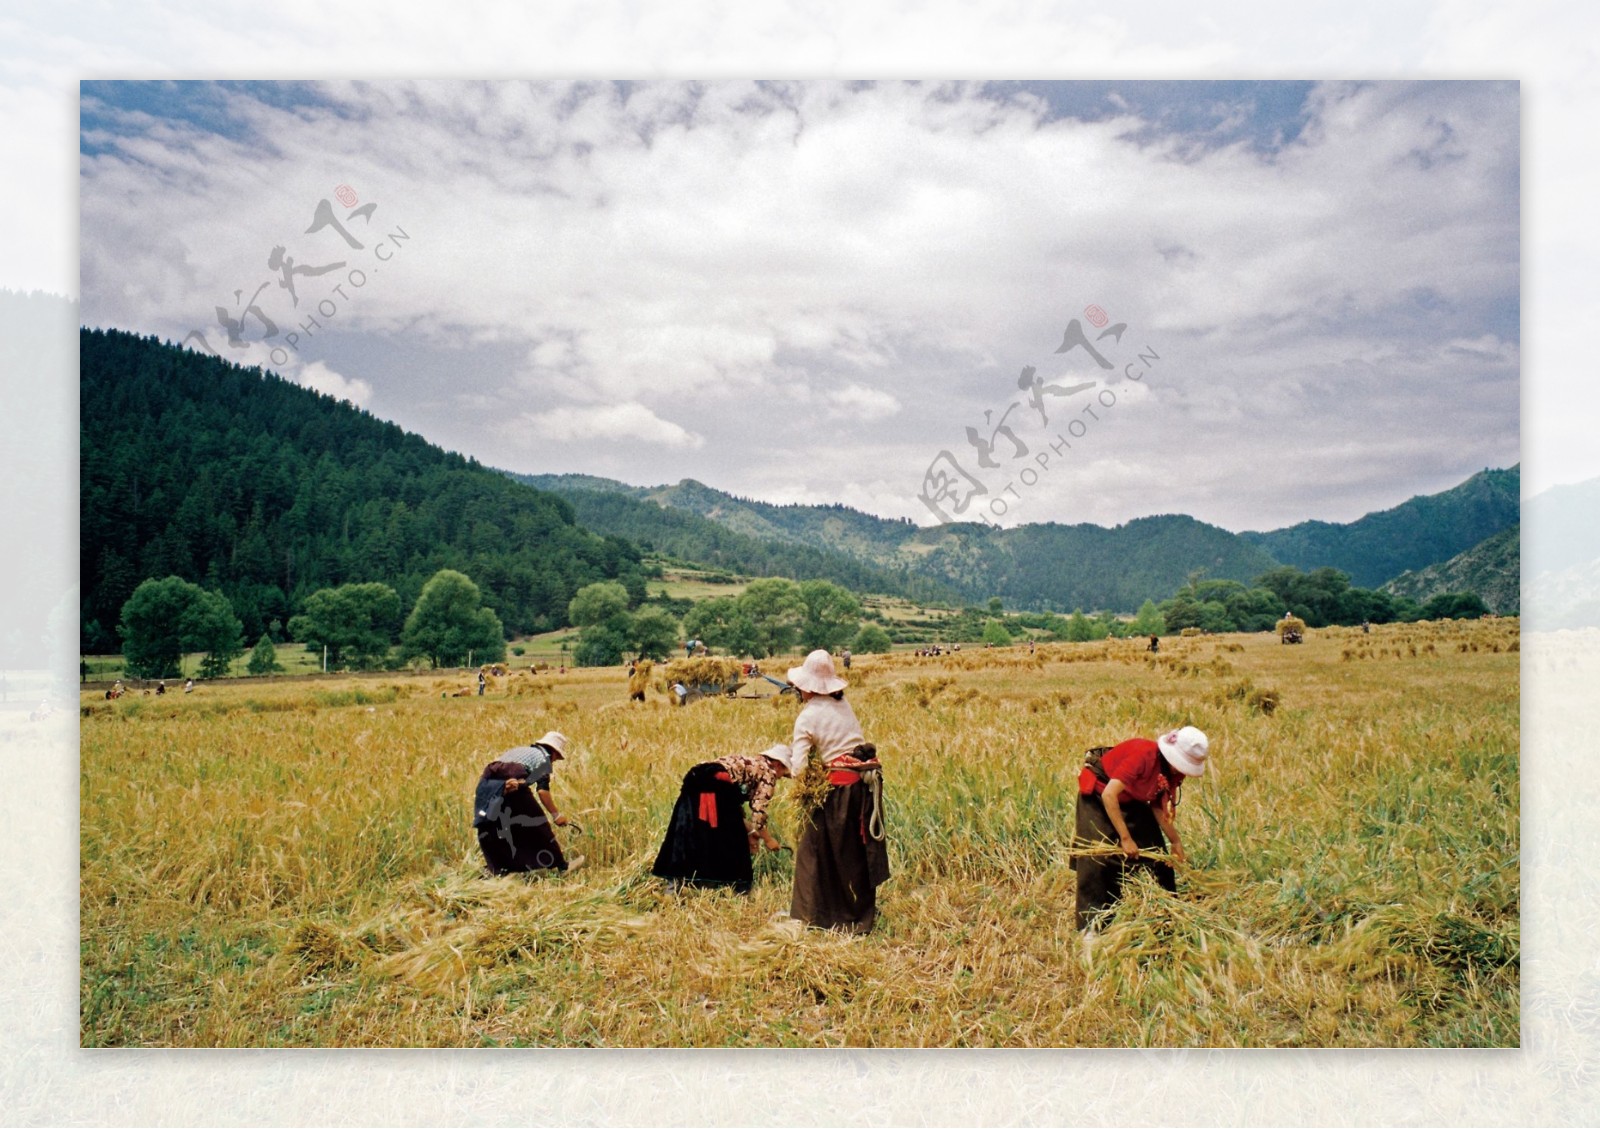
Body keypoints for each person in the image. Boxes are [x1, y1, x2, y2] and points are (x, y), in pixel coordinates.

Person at [786, 649, 889, 934]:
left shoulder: (807, 717)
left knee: (814, 850)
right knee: (853, 851)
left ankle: (819, 915)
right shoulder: (843, 704)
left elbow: (798, 769)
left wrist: (805, 783)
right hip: (864, 787)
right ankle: (857, 913)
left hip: (840, 790)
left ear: (805, 687)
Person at [1070, 726, 1208, 931]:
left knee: (1157, 855)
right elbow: (1110, 795)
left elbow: (1156, 805)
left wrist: (1175, 841)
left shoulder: (1172, 772)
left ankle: (1167, 914)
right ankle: (1091, 927)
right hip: (1100, 794)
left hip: (1132, 798)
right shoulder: (1143, 756)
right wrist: (1125, 838)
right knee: (1097, 860)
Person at [651, 743, 800, 893]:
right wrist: (768, 840)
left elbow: (733, 806)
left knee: (689, 833)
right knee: (732, 841)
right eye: (783, 774)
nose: (780, 778)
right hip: (716, 785)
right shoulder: (769, 772)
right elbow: (759, 810)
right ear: (778, 765)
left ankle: (676, 888)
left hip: (694, 778)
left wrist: (750, 832)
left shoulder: (748, 762)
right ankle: (736, 890)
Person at [472, 730, 584, 875]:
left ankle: (499, 870)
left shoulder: (521, 751)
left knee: (494, 826)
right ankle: (562, 866)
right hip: (512, 786)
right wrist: (556, 815)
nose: (555, 760)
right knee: (537, 824)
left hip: (488, 787)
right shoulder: (544, 760)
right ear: (554, 752)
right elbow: (543, 791)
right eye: (557, 757)